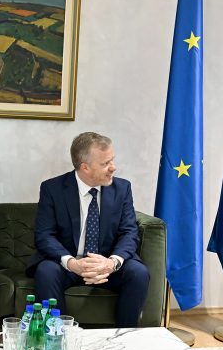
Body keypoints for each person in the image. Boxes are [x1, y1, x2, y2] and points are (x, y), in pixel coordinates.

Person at [28, 131, 150, 327]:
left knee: (138, 272)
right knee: (46, 271)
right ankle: (56, 336)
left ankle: (124, 337)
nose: (113, 167)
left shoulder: (122, 188)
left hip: (106, 264)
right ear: (85, 167)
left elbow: (129, 232)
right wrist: (72, 263)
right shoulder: (53, 189)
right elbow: (44, 235)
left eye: (112, 160)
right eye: (105, 163)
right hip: (69, 264)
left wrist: (111, 263)